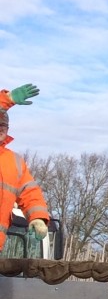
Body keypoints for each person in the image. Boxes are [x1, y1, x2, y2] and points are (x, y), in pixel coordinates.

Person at [0, 85, 51, 254]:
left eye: (3, 126)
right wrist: (6, 101)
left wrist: (37, 218)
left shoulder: (15, 161)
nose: (0, 128)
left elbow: (30, 192)